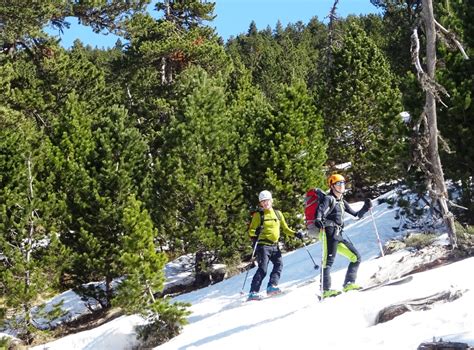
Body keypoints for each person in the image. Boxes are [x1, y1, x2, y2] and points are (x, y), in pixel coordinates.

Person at [315, 174, 372, 298]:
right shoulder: (329, 199)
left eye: (343, 183)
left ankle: (349, 283)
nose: (341, 186)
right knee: (327, 261)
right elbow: (320, 210)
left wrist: (366, 207)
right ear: (332, 185)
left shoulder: (341, 201)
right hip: (328, 233)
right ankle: (325, 290)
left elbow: (356, 215)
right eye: (338, 183)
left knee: (355, 257)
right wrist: (318, 219)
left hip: (337, 234)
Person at [247, 190, 304, 301]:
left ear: (271, 200)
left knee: (279, 265)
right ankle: (253, 292)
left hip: (275, 246)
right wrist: (256, 232)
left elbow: (286, 229)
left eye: (267, 200)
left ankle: (272, 286)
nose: (265, 203)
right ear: (260, 203)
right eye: (263, 201)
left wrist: (295, 234)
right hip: (263, 246)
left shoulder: (278, 214)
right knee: (263, 269)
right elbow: (251, 231)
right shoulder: (259, 215)